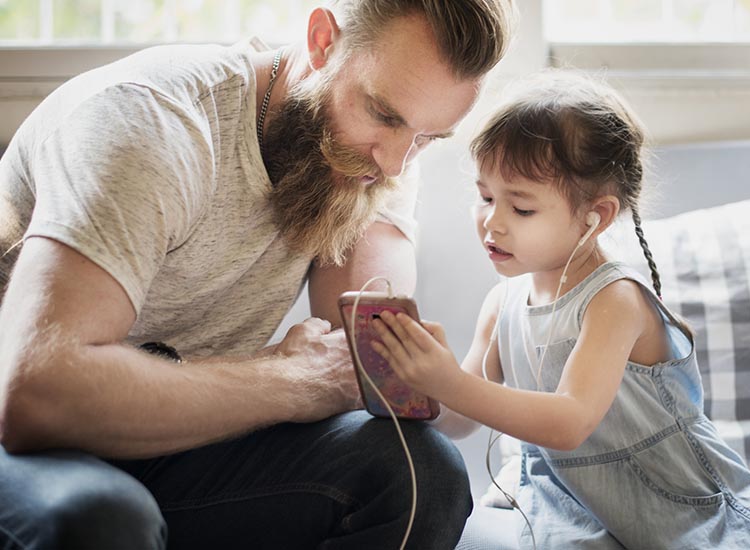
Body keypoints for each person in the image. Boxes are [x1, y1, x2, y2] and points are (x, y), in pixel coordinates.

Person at [0, 1, 514, 548]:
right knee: (103, 517)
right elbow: (36, 395)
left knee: (420, 475)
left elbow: (362, 348)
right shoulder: (154, 124)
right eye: (385, 116)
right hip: (29, 441)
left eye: (429, 137)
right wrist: (293, 382)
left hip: (179, 441)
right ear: (322, 42)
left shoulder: (375, 158)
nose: (395, 162)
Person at [370, 71, 750, 549]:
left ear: (595, 216)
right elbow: (460, 420)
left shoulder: (614, 299)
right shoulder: (502, 305)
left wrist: (450, 383)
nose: (491, 222)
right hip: (577, 512)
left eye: (521, 209)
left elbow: (569, 422)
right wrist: (415, 386)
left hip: (680, 507)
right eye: (484, 197)